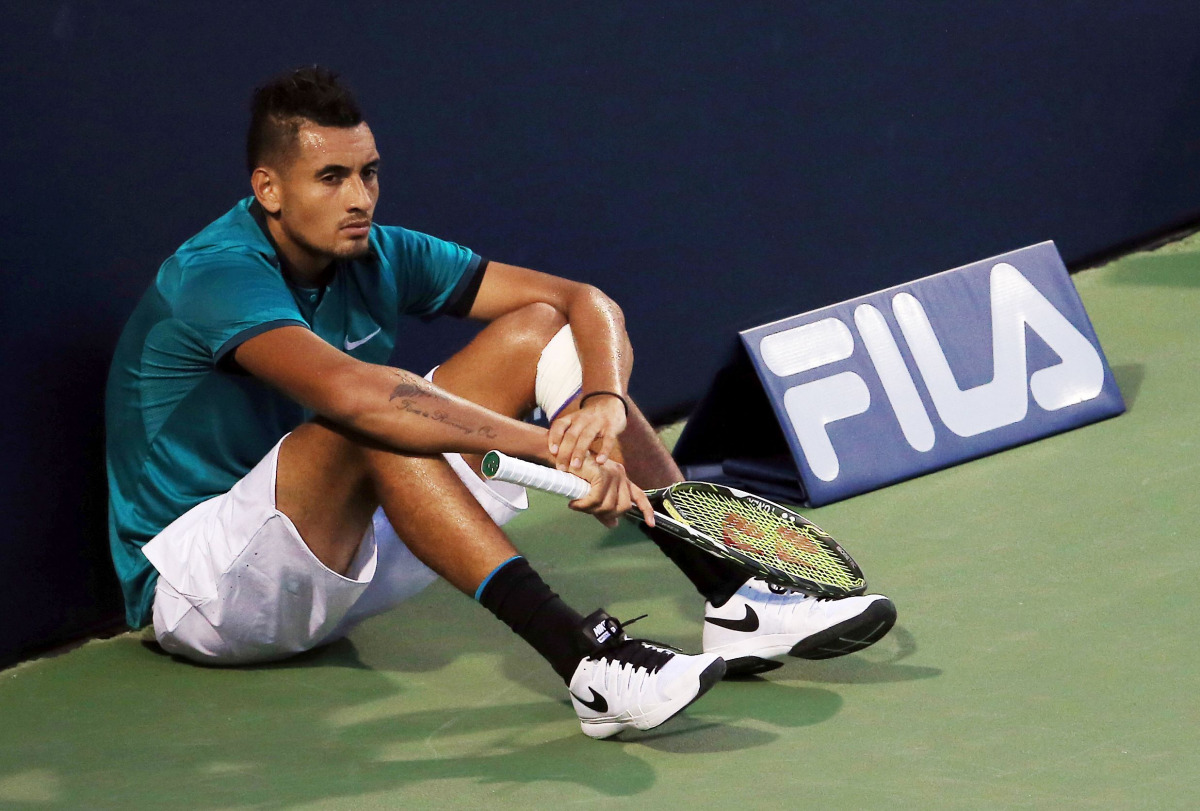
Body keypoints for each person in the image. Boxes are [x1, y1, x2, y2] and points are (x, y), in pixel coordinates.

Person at [105, 66, 897, 740]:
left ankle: (734, 593)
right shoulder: (216, 274)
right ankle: (590, 668)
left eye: (369, 171)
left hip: (332, 549)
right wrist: (542, 443)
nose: (360, 197)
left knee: (536, 332)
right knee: (378, 413)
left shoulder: (379, 252)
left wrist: (603, 406)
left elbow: (582, 301)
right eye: (331, 177)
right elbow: (359, 395)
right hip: (203, 590)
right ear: (267, 188)